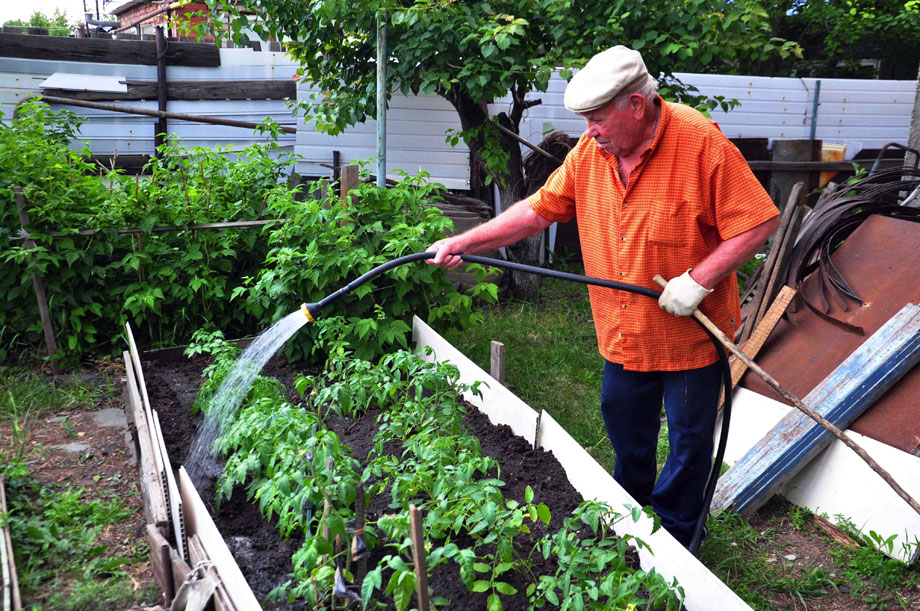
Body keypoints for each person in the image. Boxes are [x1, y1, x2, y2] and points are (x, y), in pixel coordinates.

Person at [427, 45, 780, 547]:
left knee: (689, 440)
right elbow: (538, 210)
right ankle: (629, 521)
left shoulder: (701, 143)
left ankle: (678, 537)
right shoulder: (591, 154)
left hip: (691, 336)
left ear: (636, 105)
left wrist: (699, 281)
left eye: (597, 118)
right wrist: (464, 240)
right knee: (625, 427)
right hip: (624, 333)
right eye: (586, 120)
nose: (589, 130)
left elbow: (758, 221)